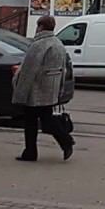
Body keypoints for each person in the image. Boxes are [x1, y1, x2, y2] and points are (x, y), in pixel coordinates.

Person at [12, 15, 75, 161]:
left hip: (36, 89)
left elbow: (28, 70)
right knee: (46, 119)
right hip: (50, 89)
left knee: (31, 122)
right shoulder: (58, 43)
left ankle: (32, 152)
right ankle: (64, 142)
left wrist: (20, 91)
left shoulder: (39, 45)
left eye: (37, 26)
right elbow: (63, 68)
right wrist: (59, 89)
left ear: (40, 27)